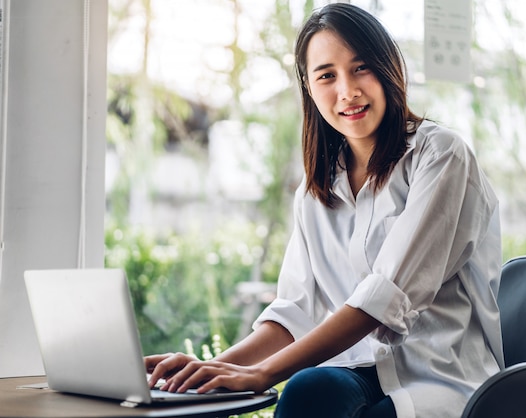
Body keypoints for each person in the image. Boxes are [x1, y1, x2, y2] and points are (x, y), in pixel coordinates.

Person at [144, 3, 504, 417]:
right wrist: (210, 369)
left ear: (391, 70)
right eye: (327, 75)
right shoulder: (316, 191)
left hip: (439, 377)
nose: (347, 90)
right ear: (309, 88)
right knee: (309, 390)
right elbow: (294, 311)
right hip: (357, 371)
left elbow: (384, 298)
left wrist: (262, 375)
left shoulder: (440, 155)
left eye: (361, 68)